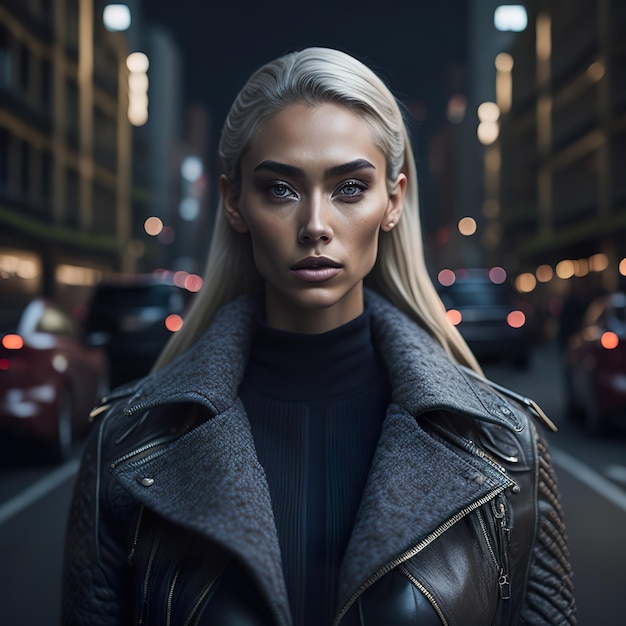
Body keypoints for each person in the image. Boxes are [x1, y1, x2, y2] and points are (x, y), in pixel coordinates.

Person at [62, 47, 576, 625]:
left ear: (394, 200)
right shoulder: (127, 445)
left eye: (350, 187)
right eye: (280, 189)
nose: (315, 225)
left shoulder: (505, 445)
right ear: (234, 203)